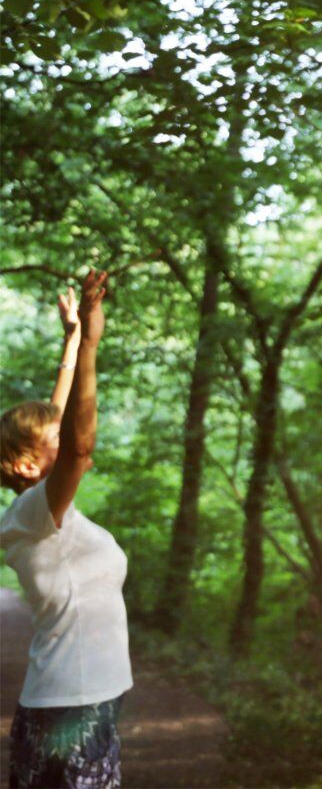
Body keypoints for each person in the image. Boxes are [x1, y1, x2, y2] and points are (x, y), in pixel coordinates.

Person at [1, 270, 132, 789]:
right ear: (30, 467)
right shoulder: (36, 515)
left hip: (82, 700)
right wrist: (95, 347)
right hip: (71, 708)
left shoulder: (41, 512)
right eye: (55, 437)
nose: (71, 434)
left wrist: (74, 339)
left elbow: (60, 425)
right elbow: (77, 444)